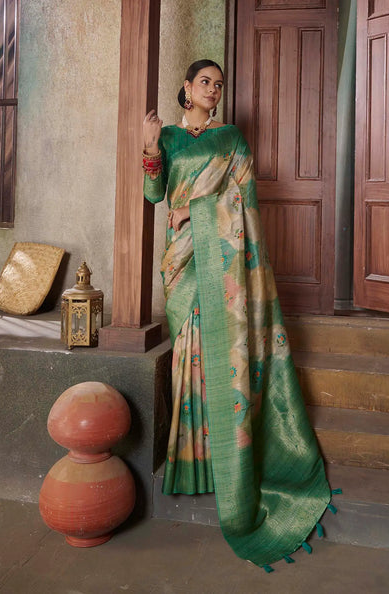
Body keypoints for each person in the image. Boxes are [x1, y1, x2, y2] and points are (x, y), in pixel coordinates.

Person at [142, 59, 333, 570]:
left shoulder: (232, 140)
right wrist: (148, 149)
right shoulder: (172, 139)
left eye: (219, 84)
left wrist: (196, 211)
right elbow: (153, 195)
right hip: (182, 257)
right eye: (205, 82)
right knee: (189, 347)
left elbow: (243, 199)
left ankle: (231, 464)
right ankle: (194, 464)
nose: (213, 89)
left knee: (219, 349)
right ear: (186, 88)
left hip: (218, 256)